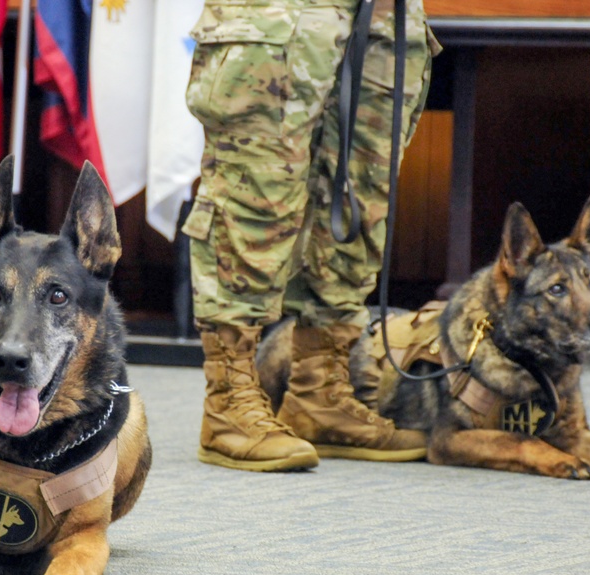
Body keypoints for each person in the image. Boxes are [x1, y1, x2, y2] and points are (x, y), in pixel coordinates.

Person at [182, 0, 442, 472]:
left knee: (360, 199)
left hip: (387, 11)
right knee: (255, 195)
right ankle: (228, 404)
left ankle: (319, 393)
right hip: (280, 12)